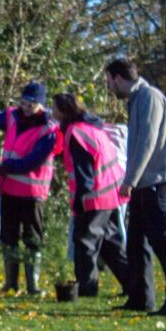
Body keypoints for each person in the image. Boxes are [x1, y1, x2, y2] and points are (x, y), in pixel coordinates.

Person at [105, 59, 166, 315]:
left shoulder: (149, 97)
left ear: (118, 78)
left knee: (165, 241)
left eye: (109, 81)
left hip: (159, 180)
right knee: (136, 243)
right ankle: (141, 298)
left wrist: (129, 180)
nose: (109, 87)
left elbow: (147, 142)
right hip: (145, 181)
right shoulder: (137, 99)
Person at [0, 82, 60, 295]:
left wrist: (9, 167)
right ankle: (11, 283)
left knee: (32, 238)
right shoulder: (13, 116)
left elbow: (33, 161)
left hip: (32, 194)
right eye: (24, 102)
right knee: (9, 236)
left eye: (32, 104)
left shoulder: (49, 129)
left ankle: (33, 285)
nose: (27, 107)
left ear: (42, 104)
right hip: (9, 189)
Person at [51, 93, 129, 297]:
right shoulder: (91, 127)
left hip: (95, 195)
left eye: (54, 108)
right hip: (110, 192)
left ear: (64, 111)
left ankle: (86, 288)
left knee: (85, 241)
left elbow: (83, 172)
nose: (52, 112)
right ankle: (133, 284)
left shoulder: (76, 133)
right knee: (111, 244)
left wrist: (79, 202)